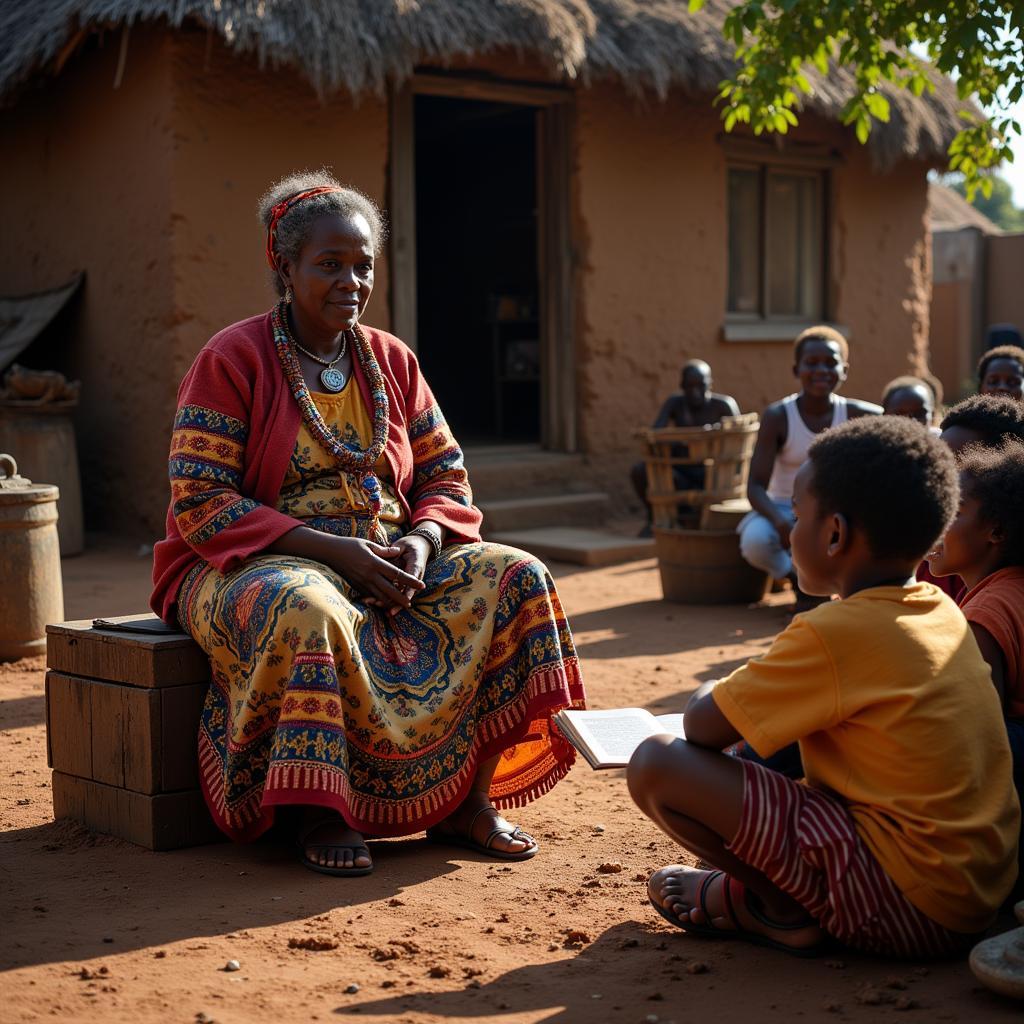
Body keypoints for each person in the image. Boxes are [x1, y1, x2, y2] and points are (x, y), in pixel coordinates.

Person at [150, 170, 586, 877]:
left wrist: (420, 542)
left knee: (517, 577)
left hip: (387, 554)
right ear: (284, 268)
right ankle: (321, 809)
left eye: (363, 265)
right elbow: (201, 501)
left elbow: (447, 477)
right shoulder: (232, 358)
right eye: (329, 264)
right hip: (250, 561)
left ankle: (465, 802)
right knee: (307, 606)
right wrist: (334, 553)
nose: (350, 281)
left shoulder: (391, 359)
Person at [628, 417, 1019, 958]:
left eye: (795, 515)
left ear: (834, 534)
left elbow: (701, 725)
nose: (788, 530)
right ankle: (771, 898)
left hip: (911, 911)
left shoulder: (834, 631)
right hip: (975, 896)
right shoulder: (941, 610)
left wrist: (719, 686)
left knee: (656, 763)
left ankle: (780, 912)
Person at [926, 438, 1024, 883]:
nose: (935, 521)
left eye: (954, 510)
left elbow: (984, 743)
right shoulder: (1007, 590)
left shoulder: (984, 616)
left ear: (997, 532)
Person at [739, 326, 879, 611]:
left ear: (844, 370)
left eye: (830, 363)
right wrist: (780, 523)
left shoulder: (854, 414)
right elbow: (754, 486)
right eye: (811, 363)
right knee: (754, 541)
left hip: (834, 513)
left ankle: (832, 589)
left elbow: (903, 415)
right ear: (796, 369)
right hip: (781, 509)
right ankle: (799, 581)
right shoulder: (779, 416)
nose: (821, 371)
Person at [918, 394, 1024, 602]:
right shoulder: (933, 556)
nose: (945, 481)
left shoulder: (998, 603)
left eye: (964, 466)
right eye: (939, 464)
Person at [631, 360, 739, 536]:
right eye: (689, 387)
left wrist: (714, 436)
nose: (695, 392)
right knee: (640, 471)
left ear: (710, 384)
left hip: (712, 474)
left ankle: (718, 523)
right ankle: (654, 518)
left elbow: (738, 438)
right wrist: (681, 441)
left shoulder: (723, 405)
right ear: (682, 386)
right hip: (682, 472)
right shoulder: (675, 403)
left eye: (701, 386)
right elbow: (656, 433)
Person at [978, 328, 1024, 402]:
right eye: (993, 381)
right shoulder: (963, 413)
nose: (1002, 387)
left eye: (1013, 382)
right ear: (980, 388)